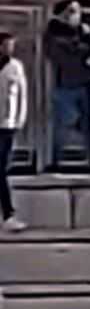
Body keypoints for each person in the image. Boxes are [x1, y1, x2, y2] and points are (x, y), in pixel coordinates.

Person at [46, 7, 90, 170]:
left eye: (76, 12)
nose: (73, 16)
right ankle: (55, 160)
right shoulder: (55, 32)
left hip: (86, 84)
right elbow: (59, 56)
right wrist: (81, 52)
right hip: (65, 85)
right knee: (63, 122)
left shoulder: (86, 33)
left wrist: (89, 38)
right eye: (70, 12)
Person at [0, 26, 24, 232]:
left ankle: (8, 214)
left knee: (1, 168)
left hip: (6, 124)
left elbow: (21, 94)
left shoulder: (15, 67)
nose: (9, 49)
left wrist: (19, 120)